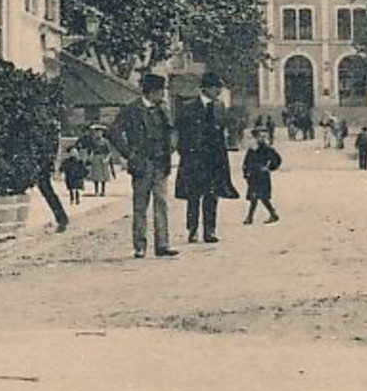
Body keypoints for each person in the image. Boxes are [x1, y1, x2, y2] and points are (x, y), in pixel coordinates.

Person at [111, 73, 177, 259]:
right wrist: (129, 154)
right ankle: (140, 246)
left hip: (160, 163)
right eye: (160, 91)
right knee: (140, 206)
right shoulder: (132, 109)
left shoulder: (163, 109)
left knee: (161, 203)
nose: (163, 95)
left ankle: (162, 245)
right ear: (151, 91)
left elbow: (171, 130)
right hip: (141, 164)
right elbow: (113, 131)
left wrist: (171, 145)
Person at [175, 72, 239, 244]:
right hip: (194, 159)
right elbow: (181, 133)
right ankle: (193, 230)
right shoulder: (188, 107)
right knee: (194, 196)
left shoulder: (219, 107)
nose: (217, 90)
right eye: (214, 87)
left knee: (212, 195)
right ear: (204, 88)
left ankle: (209, 230)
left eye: (219, 87)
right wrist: (186, 154)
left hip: (215, 159)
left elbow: (222, 131)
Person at [241, 128, 283, 225]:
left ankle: (253, 217)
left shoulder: (267, 149)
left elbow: (277, 160)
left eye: (264, 137)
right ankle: (255, 216)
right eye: (260, 137)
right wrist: (246, 173)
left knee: (261, 197)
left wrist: (269, 167)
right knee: (254, 197)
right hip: (253, 176)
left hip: (262, 176)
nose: (262, 139)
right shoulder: (252, 150)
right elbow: (246, 162)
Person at [87, 127, 114, 197]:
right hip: (96, 158)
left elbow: (109, 152)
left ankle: (103, 191)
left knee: (103, 176)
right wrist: (90, 157)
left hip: (103, 158)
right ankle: (96, 191)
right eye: (96, 132)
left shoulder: (105, 142)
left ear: (102, 133)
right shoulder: (93, 141)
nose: (98, 134)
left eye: (100, 132)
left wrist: (107, 158)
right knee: (96, 176)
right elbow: (90, 150)